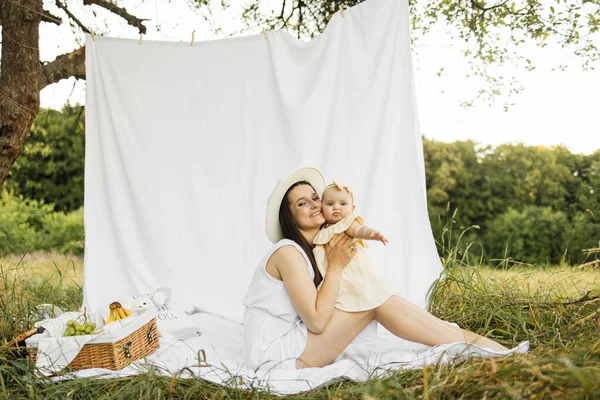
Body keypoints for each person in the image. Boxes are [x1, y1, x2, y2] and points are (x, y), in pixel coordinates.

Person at [243, 166, 527, 370]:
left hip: (293, 344)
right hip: (276, 354)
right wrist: (338, 267)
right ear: (289, 217)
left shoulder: (315, 249)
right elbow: (316, 321)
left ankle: (470, 342)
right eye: (302, 203)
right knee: (371, 300)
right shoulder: (288, 253)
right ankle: (474, 344)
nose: (316, 205)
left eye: (316, 198)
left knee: (376, 297)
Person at [312, 180, 393, 312]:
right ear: (322, 207)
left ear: (352, 209)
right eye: (330, 204)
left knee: (354, 289)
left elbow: (359, 230)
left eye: (342, 204)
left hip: (350, 268)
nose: (336, 207)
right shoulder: (323, 230)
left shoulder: (346, 223)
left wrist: (372, 234)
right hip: (332, 273)